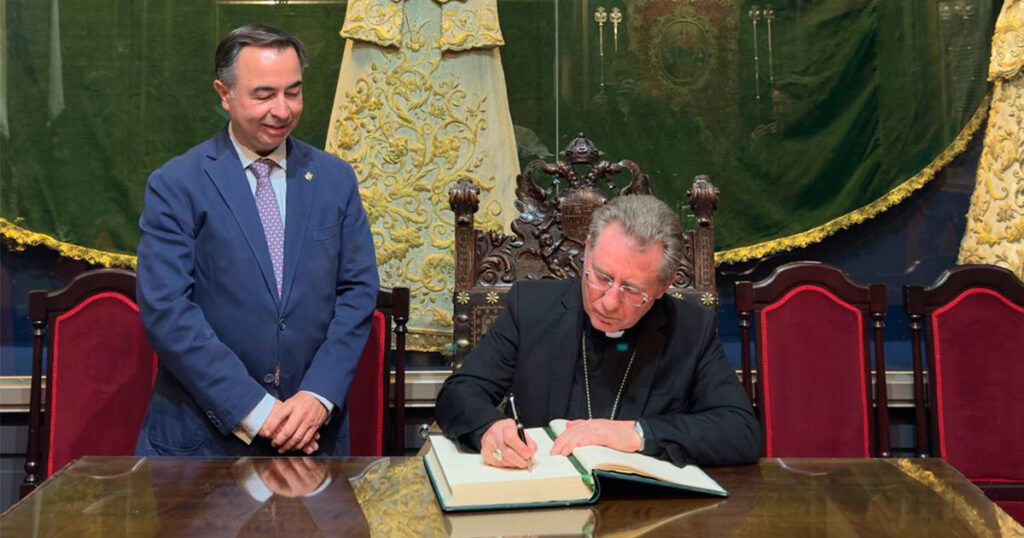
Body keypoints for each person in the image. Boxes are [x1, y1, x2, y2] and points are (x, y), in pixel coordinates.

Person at [134, 24, 379, 457]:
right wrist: (256, 410)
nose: (282, 110)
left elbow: (357, 294)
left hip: (312, 437)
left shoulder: (334, 180)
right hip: (204, 443)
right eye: (264, 94)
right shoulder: (176, 184)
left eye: (293, 92)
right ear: (224, 94)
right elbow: (167, 310)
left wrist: (317, 397)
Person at [435, 195, 760, 468]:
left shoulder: (691, 330)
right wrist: (490, 428)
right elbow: (459, 393)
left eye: (633, 291)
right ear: (588, 250)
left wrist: (639, 433)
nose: (609, 302)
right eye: (601, 277)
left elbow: (741, 431)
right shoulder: (530, 309)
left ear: (664, 286)